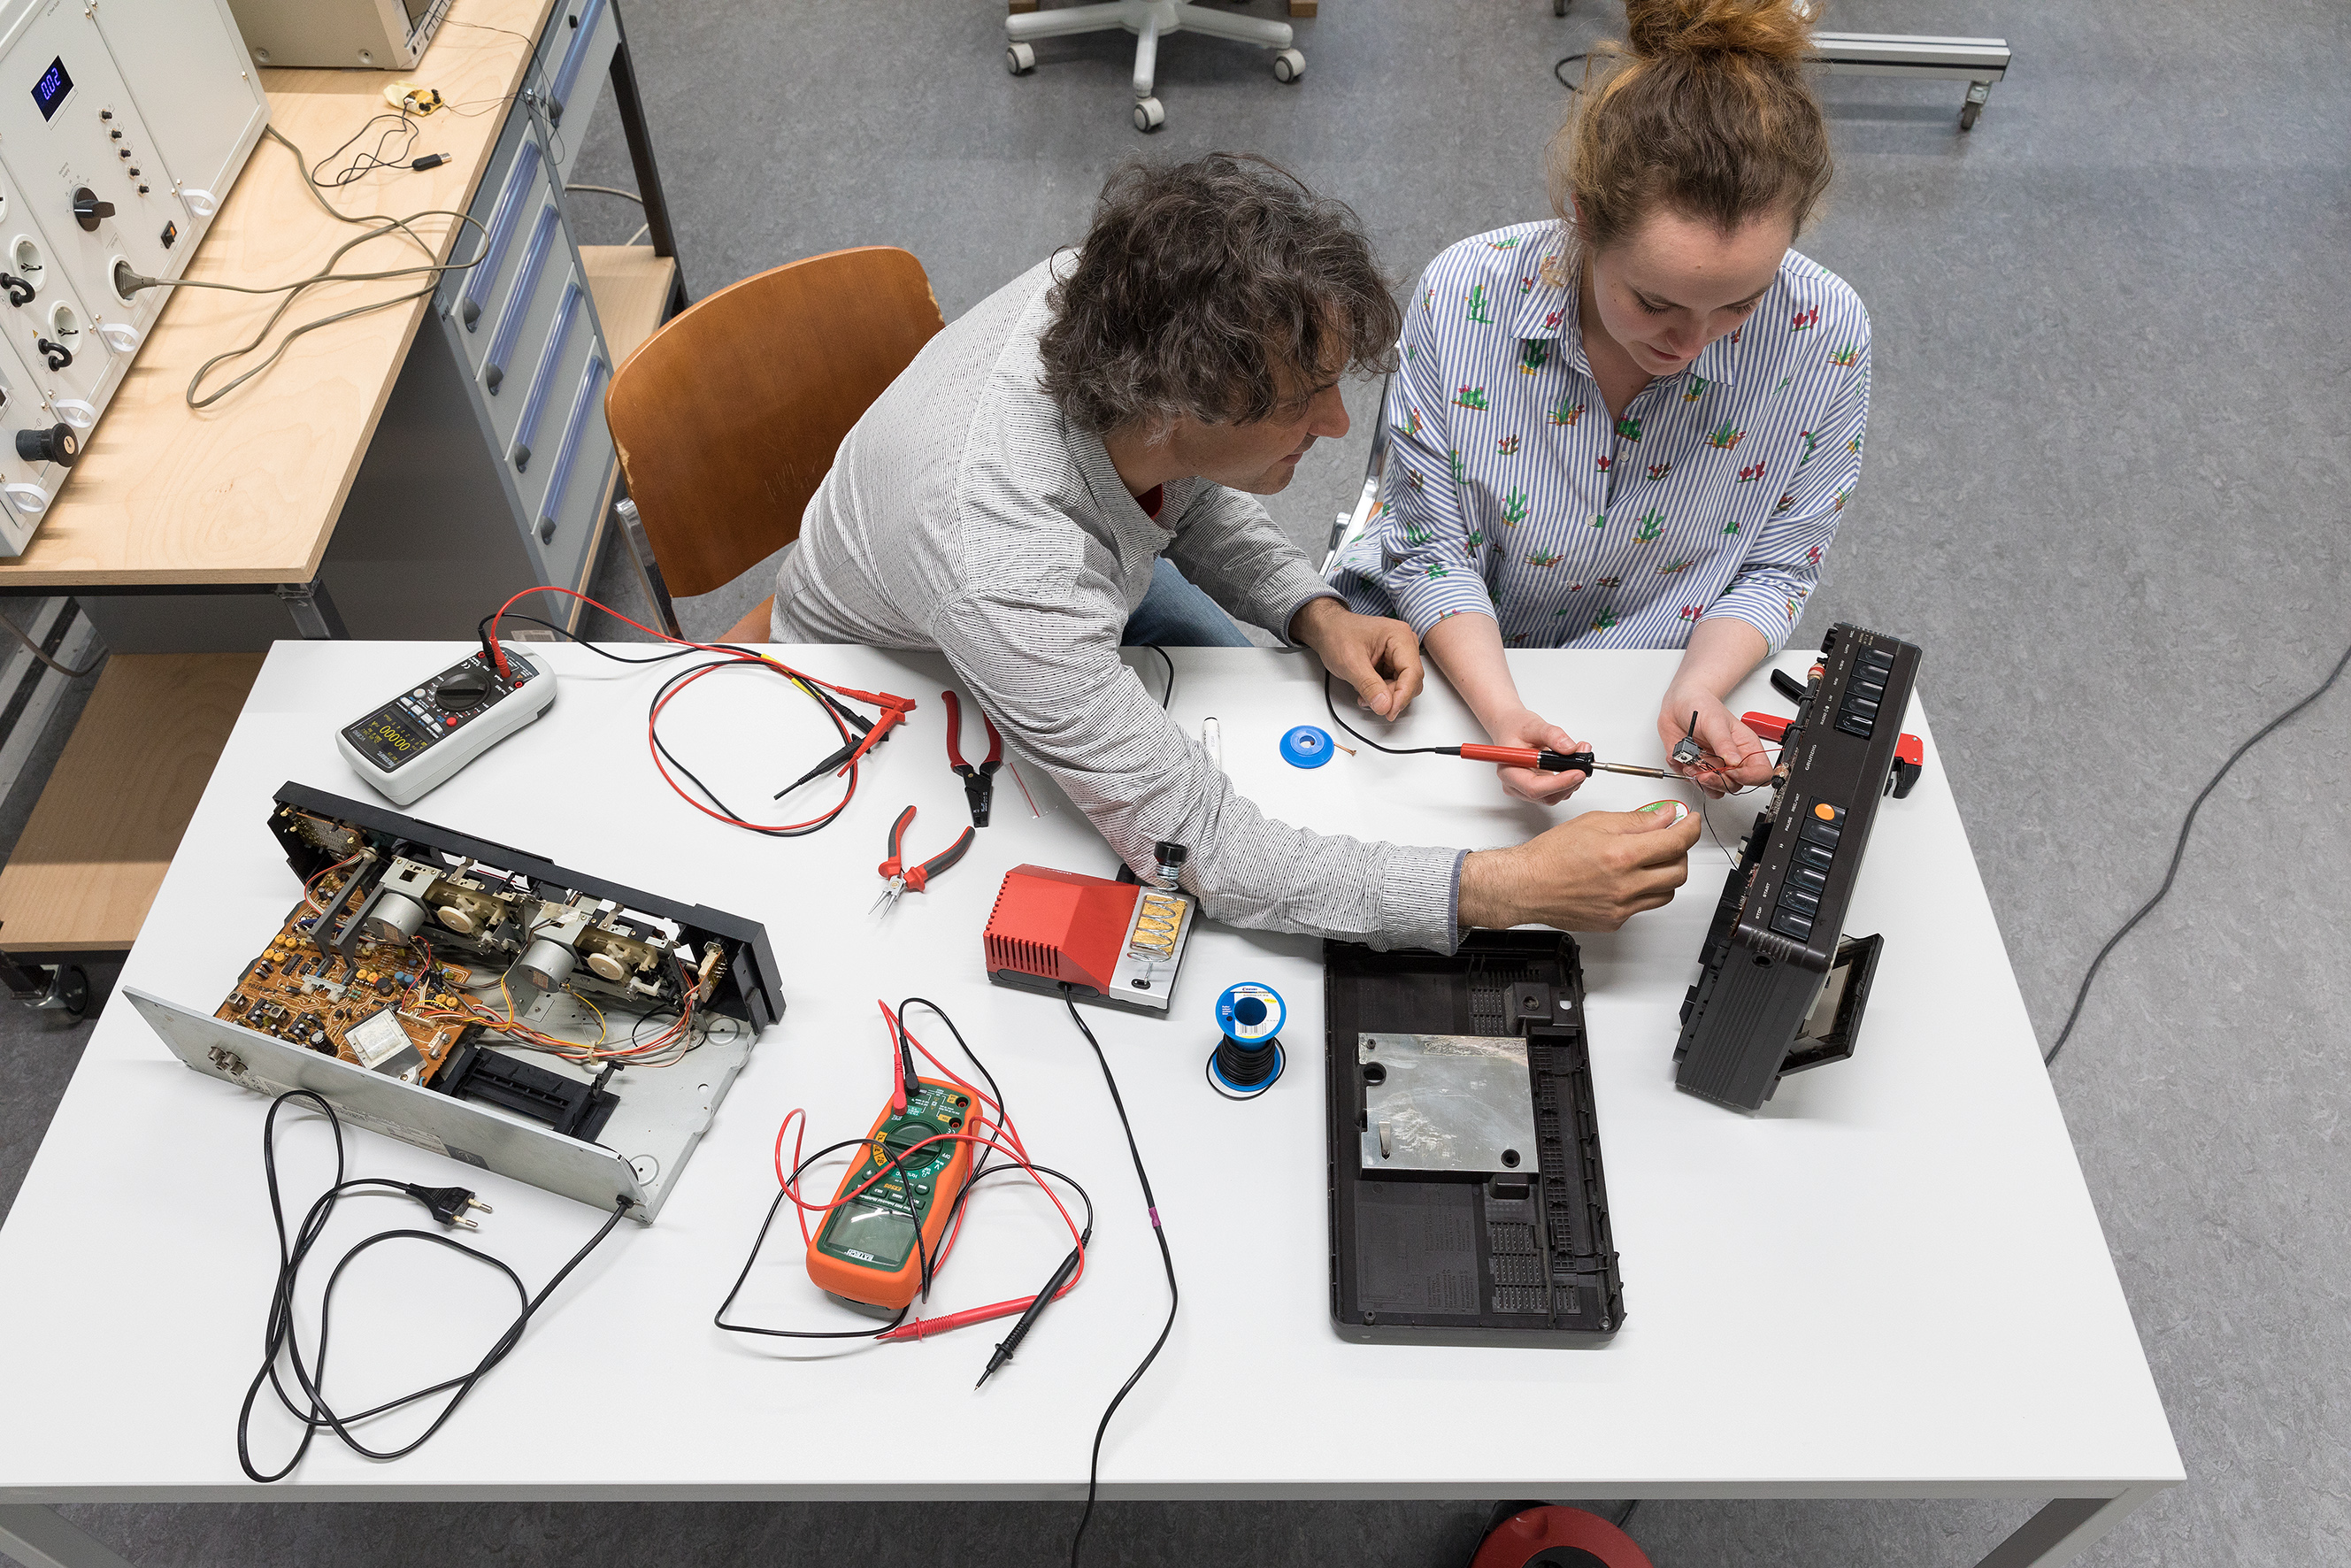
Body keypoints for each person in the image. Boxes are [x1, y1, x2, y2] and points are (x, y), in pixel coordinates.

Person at [770, 153, 1700, 950]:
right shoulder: (1005, 561)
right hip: (895, 671)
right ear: (1180, 398)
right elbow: (1200, 847)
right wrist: (1508, 887)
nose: (1336, 424)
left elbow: (1180, 483)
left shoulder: (1105, 297)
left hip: (1042, 589)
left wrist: (1311, 608)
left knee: (1276, 721)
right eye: (1304, 402)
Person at [1330, 0, 1869, 805]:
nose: (1692, 343)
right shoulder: (1466, 291)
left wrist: (1698, 689)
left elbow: (1777, 565)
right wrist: (1503, 712)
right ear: (1582, 221)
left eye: (1739, 305)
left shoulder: (1825, 334)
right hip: (1440, 663)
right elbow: (1429, 548)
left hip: (1650, 685)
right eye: (1654, 304)